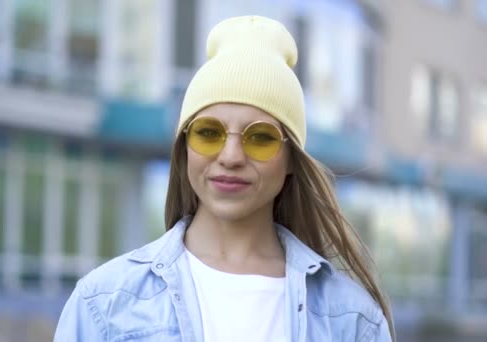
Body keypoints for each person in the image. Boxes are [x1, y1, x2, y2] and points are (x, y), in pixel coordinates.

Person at [54, 15, 395, 342]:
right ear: (185, 148)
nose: (231, 157)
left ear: (291, 159)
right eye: (208, 133)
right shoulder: (102, 304)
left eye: (260, 137)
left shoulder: (353, 322)